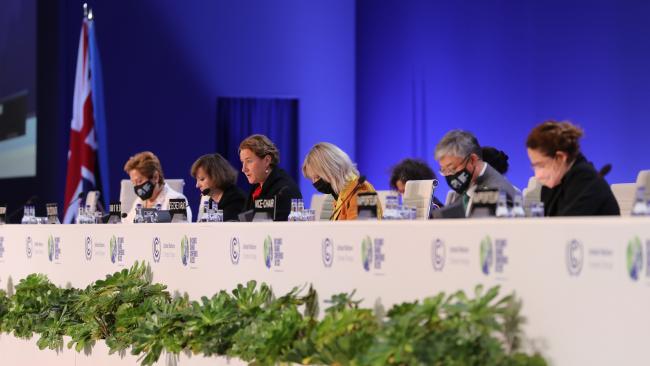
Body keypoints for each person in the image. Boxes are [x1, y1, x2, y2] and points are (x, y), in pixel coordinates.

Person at [526, 120, 620, 216]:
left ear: (560, 158)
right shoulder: (552, 183)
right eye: (534, 167)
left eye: (541, 165)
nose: (537, 176)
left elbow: (567, 229)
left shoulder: (586, 179)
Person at [434, 130, 518, 216]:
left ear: (473, 160)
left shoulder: (499, 193)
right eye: (443, 170)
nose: (448, 175)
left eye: (452, 168)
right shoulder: (462, 191)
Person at [303, 142, 383, 220]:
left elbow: (364, 231)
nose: (315, 183)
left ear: (332, 169)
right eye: (312, 179)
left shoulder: (363, 191)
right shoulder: (339, 196)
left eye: (317, 177)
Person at [239, 134, 302, 221]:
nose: (243, 169)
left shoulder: (284, 190)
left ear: (267, 161)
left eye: (249, 161)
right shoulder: (256, 188)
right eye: (242, 162)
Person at [123, 151, 192, 223]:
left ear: (155, 177)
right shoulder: (139, 201)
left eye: (139, 181)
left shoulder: (177, 199)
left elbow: (182, 230)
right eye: (134, 183)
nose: (137, 187)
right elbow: (127, 224)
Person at [191, 153, 246, 222]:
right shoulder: (211, 201)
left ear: (216, 176)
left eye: (202, 179)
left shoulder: (236, 198)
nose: (197, 185)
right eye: (197, 180)